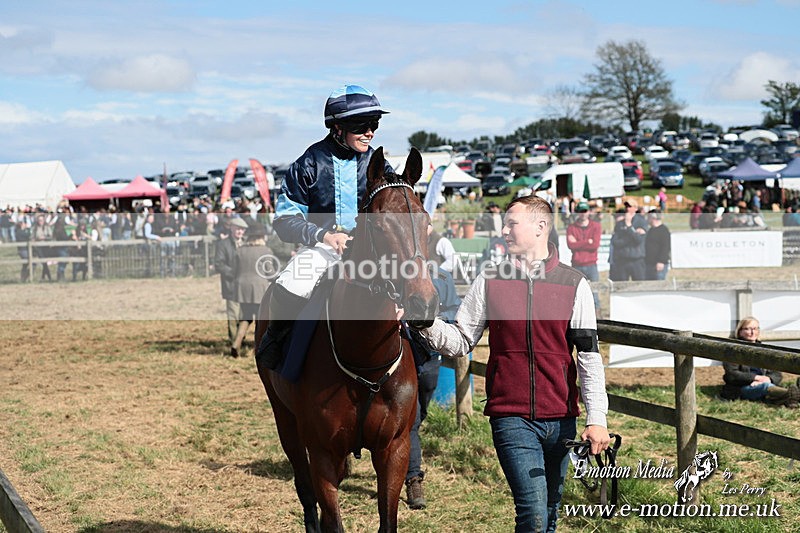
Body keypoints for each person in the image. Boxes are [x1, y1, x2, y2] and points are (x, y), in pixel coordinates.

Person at [416, 195, 610, 532]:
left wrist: (597, 418)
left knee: (549, 514)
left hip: (562, 419)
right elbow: (461, 340)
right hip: (511, 417)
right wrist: (425, 324)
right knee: (533, 515)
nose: (503, 230)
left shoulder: (574, 284)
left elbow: (589, 357)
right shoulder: (489, 280)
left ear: (540, 227)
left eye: (511, 223)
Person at [257, 84, 393, 370]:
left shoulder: (378, 163)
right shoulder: (308, 163)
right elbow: (284, 219)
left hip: (371, 251)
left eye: (374, 124)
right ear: (338, 127)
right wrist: (323, 235)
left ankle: (422, 357)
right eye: (362, 125)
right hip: (322, 250)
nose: (370, 132)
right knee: (290, 284)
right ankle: (275, 339)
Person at [404, 228, 462, 510]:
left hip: (429, 357)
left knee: (420, 412)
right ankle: (413, 478)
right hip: (401, 357)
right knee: (411, 420)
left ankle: (403, 449)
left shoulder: (442, 277)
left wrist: (437, 320)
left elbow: (455, 310)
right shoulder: (394, 275)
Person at [721, 317, 799, 408]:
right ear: (740, 331)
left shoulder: (765, 350)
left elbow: (777, 374)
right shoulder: (732, 350)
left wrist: (768, 379)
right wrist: (756, 378)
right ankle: (789, 395)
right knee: (765, 386)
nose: (752, 332)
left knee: (766, 385)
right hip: (742, 388)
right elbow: (732, 374)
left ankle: (788, 398)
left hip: (765, 383)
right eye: (747, 329)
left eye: (755, 328)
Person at [231, 223, 273, 357]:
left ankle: (236, 344)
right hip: (259, 289)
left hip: (242, 289)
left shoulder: (240, 250)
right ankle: (257, 349)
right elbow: (270, 272)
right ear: (261, 237)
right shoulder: (265, 251)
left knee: (245, 318)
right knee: (260, 321)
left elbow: (234, 270)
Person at [215, 216, 248, 356]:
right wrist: (234, 274)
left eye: (242, 230)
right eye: (238, 229)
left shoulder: (247, 244)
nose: (240, 232)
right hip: (231, 285)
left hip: (246, 287)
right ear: (232, 228)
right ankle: (235, 344)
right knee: (233, 316)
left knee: (244, 315)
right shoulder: (223, 244)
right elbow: (219, 264)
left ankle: (240, 340)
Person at [609, 199, 647, 281]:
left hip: (637, 259)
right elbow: (615, 242)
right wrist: (631, 236)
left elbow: (638, 240)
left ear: (635, 208)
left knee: (639, 286)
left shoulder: (641, 222)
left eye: (630, 206)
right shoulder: (619, 224)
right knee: (621, 286)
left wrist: (629, 226)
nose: (627, 209)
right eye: (626, 206)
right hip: (623, 259)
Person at [566, 201, 601, 282]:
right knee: (576, 293)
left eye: (585, 211)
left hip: (591, 265)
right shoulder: (571, 228)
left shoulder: (596, 226)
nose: (583, 214)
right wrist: (587, 242)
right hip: (576, 265)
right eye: (581, 211)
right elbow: (571, 245)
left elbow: (595, 245)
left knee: (594, 293)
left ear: (589, 211)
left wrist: (577, 243)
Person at [644, 210, 670, 281]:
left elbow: (665, 247)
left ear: (653, 218)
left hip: (658, 264)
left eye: (648, 217)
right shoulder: (650, 231)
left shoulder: (663, 230)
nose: (647, 219)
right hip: (649, 264)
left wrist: (661, 261)